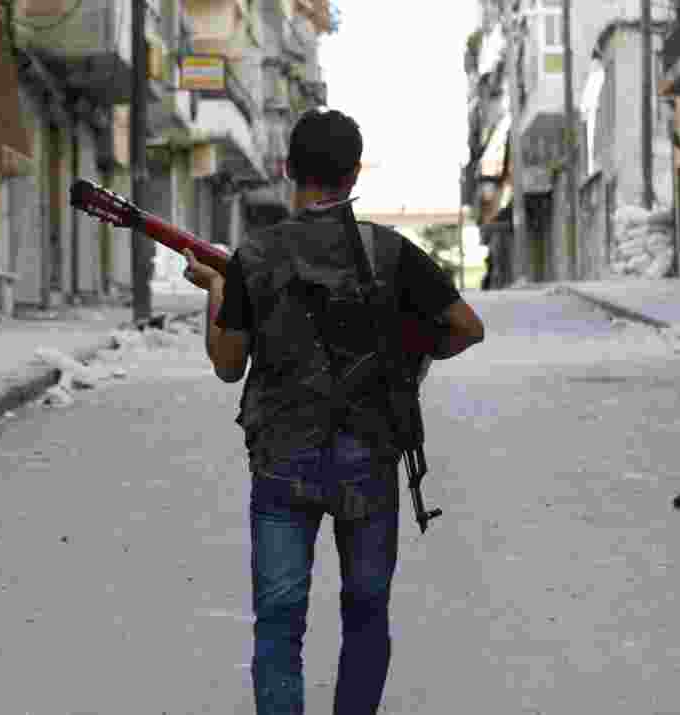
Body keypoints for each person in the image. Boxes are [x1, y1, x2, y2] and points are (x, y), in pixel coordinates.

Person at [182, 109, 485, 715]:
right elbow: (466, 328)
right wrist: (407, 358)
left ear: (289, 169)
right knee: (366, 613)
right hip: (367, 457)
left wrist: (217, 291)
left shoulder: (256, 256)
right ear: (353, 175)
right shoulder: (390, 252)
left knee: (278, 624)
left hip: (281, 459)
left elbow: (226, 363)